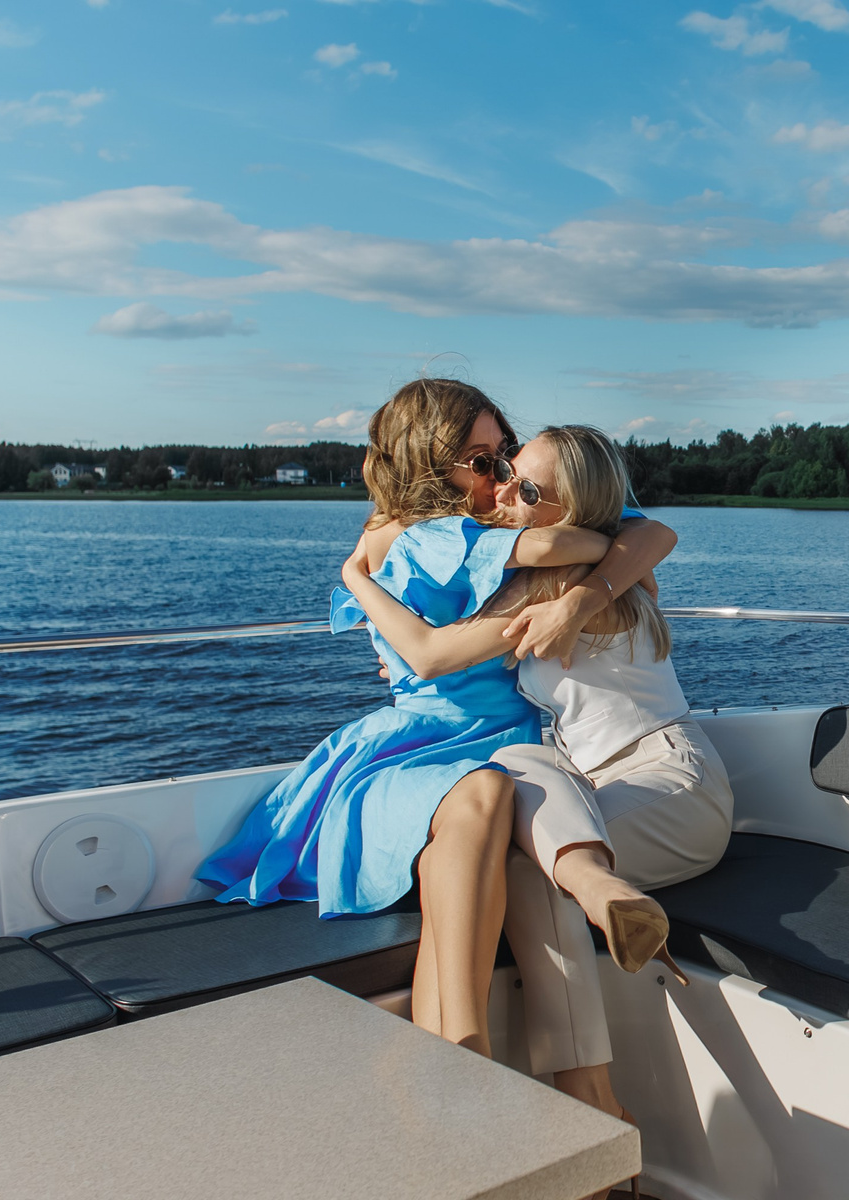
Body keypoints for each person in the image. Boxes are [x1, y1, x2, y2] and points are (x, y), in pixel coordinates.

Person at [194, 380, 676, 1065]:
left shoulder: (499, 517)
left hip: (520, 746)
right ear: (427, 465)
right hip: (424, 746)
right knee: (486, 791)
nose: (501, 473)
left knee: (497, 797)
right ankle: (467, 1058)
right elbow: (562, 548)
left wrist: (594, 584)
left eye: (505, 452)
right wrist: (608, 560)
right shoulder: (415, 536)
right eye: (481, 461)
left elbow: (652, 531)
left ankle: (455, 1065)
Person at [339, 424, 733, 1200]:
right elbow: (429, 640)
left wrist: (364, 580)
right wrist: (373, 563)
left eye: (525, 487)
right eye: (505, 475)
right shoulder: (542, 577)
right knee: (515, 765)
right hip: (593, 795)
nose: (503, 494)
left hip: (673, 785)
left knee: (526, 844)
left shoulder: (588, 578)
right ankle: (599, 909)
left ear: (573, 508)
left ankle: (592, 1123)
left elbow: (650, 532)